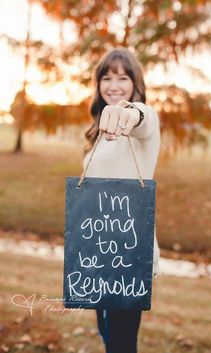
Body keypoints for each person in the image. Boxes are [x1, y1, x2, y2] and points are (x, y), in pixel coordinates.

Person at [83, 47, 161, 353]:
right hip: (96, 247)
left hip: (129, 251)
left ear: (135, 84)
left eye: (123, 77)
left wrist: (129, 111)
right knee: (105, 330)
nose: (113, 85)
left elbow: (145, 119)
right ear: (98, 83)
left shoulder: (141, 123)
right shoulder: (98, 132)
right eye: (107, 77)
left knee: (122, 341)